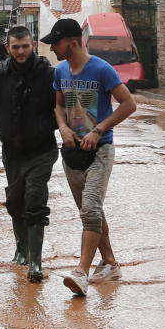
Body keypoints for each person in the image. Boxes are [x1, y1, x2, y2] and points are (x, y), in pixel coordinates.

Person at [42, 18, 137, 297]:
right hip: (72, 153)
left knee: (90, 210)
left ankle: (81, 273)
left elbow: (129, 104)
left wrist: (98, 129)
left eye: (55, 43)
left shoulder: (102, 69)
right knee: (91, 211)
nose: (52, 49)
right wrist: (62, 127)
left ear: (72, 43)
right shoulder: (60, 71)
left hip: (101, 151)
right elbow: (59, 106)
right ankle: (109, 263)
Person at [0, 25, 58, 282]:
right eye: (16, 47)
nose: (21, 51)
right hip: (12, 150)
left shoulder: (48, 73)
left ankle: (35, 263)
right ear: (8, 48)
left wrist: (49, 126)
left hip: (42, 150)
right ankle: (21, 250)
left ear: (33, 45)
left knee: (35, 199)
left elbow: (61, 106)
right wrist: (0, 128)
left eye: (25, 46)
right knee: (15, 200)